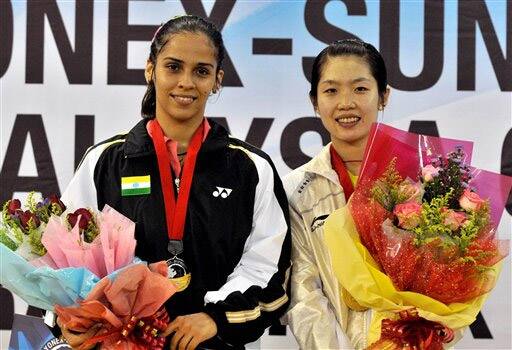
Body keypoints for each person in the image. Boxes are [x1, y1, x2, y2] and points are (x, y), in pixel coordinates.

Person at [60, 15, 291, 350]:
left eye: (201, 71)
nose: (186, 82)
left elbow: (272, 272)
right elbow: (63, 266)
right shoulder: (105, 161)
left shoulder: (250, 169)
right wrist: (68, 321)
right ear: (150, 70)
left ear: (217, 80)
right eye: (173, 67)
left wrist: (217, 318)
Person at [283, 39, 390, 349]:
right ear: (314, 101)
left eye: (360, 89)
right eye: (331, 90)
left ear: (383, 96)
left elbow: (449, 288)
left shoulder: (422, 182)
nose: (346, 103)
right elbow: (303, 293)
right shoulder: (296, 191)